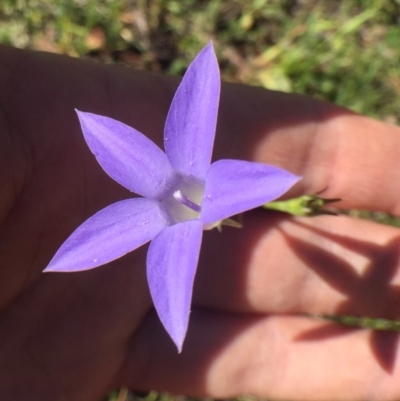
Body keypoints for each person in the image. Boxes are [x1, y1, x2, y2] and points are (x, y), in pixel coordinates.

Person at [1, 43, 400, 401]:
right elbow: (107, 154)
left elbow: (201, 93)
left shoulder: (198, 197)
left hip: (210, 189)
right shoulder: (152, 205)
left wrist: (279, 192)